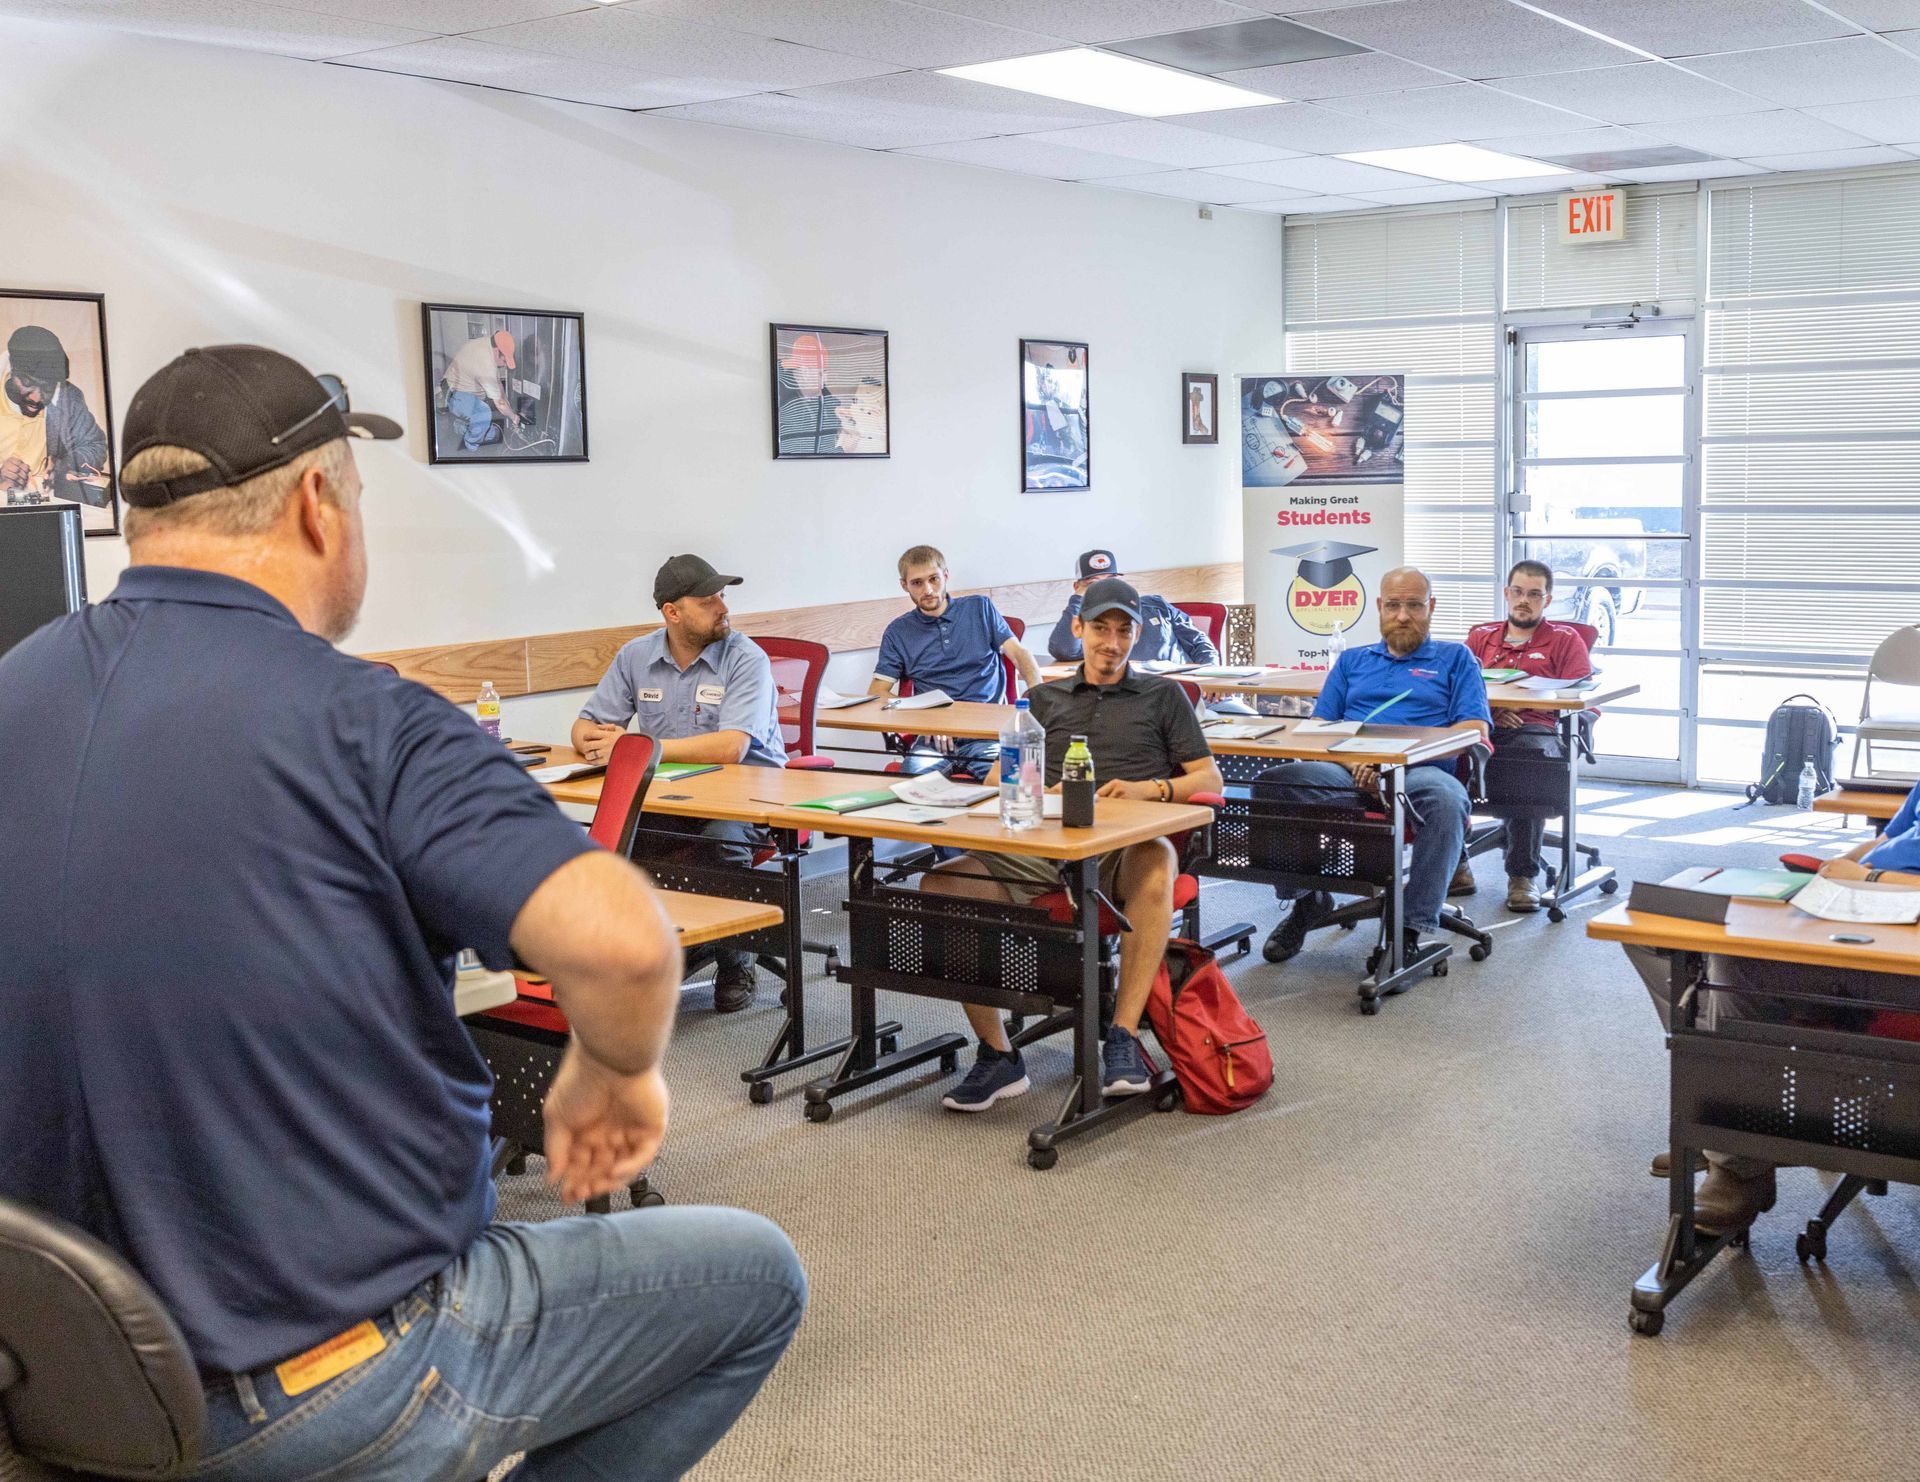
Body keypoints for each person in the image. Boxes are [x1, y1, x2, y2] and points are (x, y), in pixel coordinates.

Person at [0, 345, 804, 1481]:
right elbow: (625, 944)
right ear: (321, 506)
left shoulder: (14, 687)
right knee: (754, 1278)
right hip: (327, 1382)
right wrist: (609, 1077)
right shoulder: (371, 721)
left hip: (63, 1387)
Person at [920, 578, 1222, 1110]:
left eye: (1123, 630)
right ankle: (997, 1055)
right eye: (1100, 628)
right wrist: (1034, 787)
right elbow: (998, 778)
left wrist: (1149, 789)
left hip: (1120, 849)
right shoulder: (1042, 698)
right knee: (942, 882)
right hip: (1041, 845)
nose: (1111, 642)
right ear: (1078, 629)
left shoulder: (1162, 695)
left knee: (1158, 861)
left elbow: (1210, 781)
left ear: (1137, 635)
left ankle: (1123, 1037)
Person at [1622, 797, 1920, 1231]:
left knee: (1737, 966)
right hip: (1868, 902)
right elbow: (1891, 835)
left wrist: (1871, 876)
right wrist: (1837, 866)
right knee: (1656, 936)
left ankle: (1737, 1162)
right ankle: (1717, 1122)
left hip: (1901, 942)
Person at [573, 554, 787, 1012]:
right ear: (673, 612)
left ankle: (736, 960)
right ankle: (647, 958)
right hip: (673, 794)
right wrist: (596, 741)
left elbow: (732, 747)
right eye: (708, 600)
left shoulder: (746, 657)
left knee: (720, 843)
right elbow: (587, 725)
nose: (723, 607)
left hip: (748, 798)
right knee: (619, 844)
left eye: (723, 596)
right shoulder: (636, 656)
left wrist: (639, 747)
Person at [1258, 566, 1492, 965]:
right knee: (1275, 784)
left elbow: (1473, 728)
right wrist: (1358, 762)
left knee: (1447, 802)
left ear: (1431, 608)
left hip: (1423, 769)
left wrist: (1395, 759)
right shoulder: (1352, 661)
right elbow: (1320, 727)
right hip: (1350, 771)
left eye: (1414, 605)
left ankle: (1411, 927)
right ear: (1380, 607)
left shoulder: (1456, 658)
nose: (1404, 615)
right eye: (1395, 605)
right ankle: (1307, 899)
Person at [1463, 559, 1594, 913]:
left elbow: (1585, 698)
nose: (1524, 600)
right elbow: (1457, 688)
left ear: (1547, 600)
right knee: (1443, 755)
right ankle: (1456, 863)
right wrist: (1492, 712)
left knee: (1527, 764)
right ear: (1507, 593)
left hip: (1536, 728)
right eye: (1518, 592)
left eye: (1534, 594)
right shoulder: (1480, 637)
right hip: (1483, 726)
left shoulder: (1565, 641)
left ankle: (1522, 874)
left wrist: (1529, 705)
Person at [868, 544, 1042, 779]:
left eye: (934, 579)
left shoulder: (979, 608)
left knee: (1014, 785)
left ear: (946, 576)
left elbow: (1020, 655)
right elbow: (878, 692)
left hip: (986, 735)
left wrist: (1041, 702)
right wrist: (927, 719)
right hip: (932, 742)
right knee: (910, 792)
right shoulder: (898, 632)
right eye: (917, 583)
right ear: (904, 585)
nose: (928, 590)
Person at [1046, 549, 1219, 667]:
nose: (1106, 589)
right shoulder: (1090, 626)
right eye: (1093, 584)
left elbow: (1200, 643)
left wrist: (1212, 676)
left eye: (1111, 580)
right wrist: (1078, 600)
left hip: (1193, 689)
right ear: (1079, 587)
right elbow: (1063, 650)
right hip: (1141, 699)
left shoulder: (1156, 605)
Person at [1, 324, 111, 507]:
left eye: (47, 388)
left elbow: (96, 446)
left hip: (43, 503)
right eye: (27, 382)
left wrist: (67, 464)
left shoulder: (69, 399)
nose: (36, 398)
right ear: (12, 368)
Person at [443, 328, 520, 452]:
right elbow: (500, 403)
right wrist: (513, 416)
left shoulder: (487, 343)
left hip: (459, 390)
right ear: (496, 351)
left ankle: (460, 426)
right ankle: (470, 447)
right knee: (483, 413)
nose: (503, 365)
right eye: (504, 361)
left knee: (491, 432)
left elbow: (498, 383)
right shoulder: (486, 365)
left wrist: (507, 403)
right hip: (455, 395)